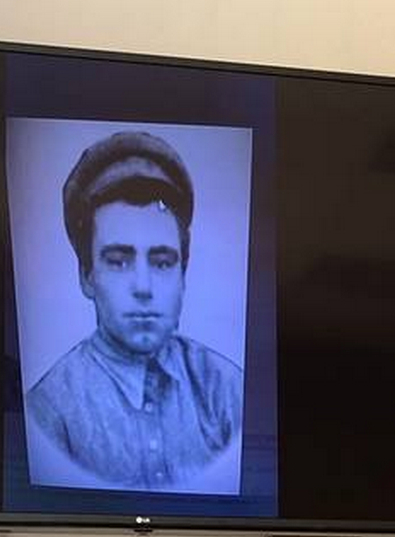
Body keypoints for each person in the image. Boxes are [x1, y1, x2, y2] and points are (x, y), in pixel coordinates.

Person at [25, 129, 244, 491]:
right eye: (118, 261)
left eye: (162, 262)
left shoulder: (228, 390)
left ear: (183, 275)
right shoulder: (48, 411)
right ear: (86, 276)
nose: (143, 287)